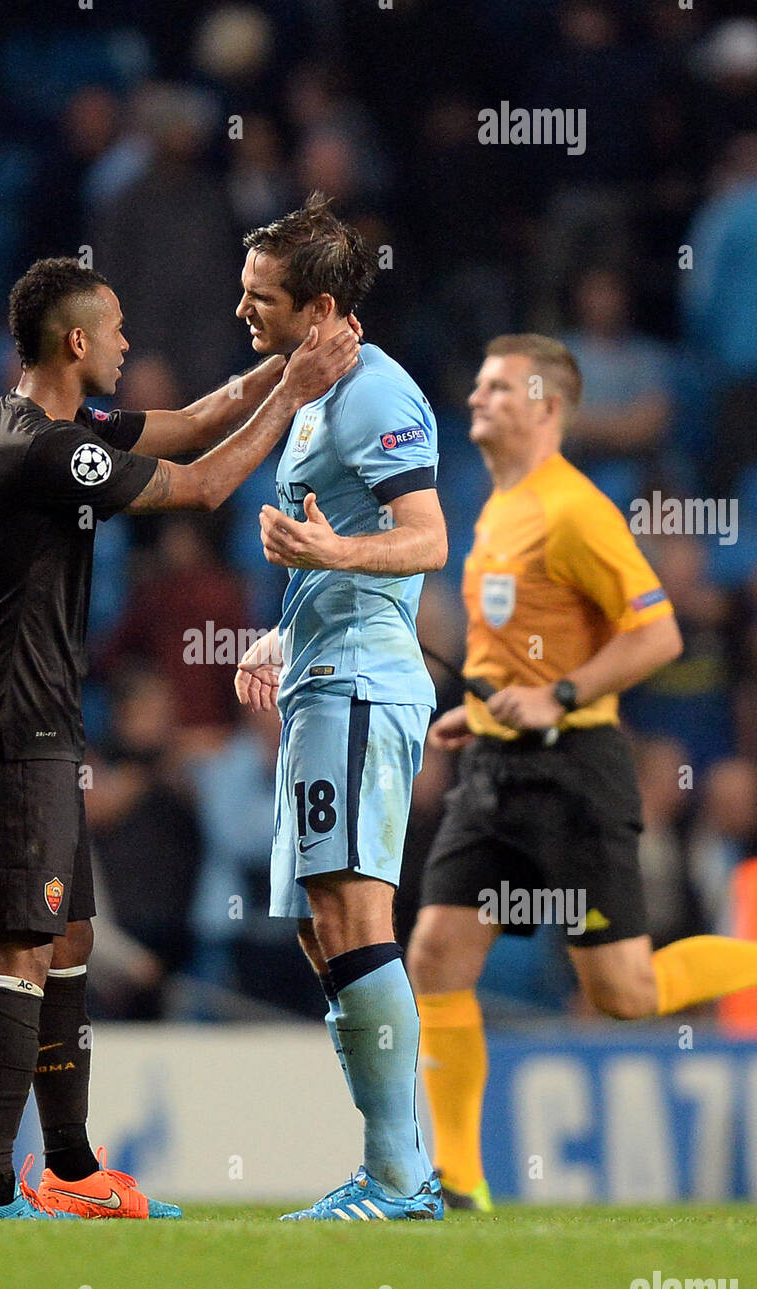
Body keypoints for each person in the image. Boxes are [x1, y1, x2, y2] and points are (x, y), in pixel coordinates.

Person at [0, 254, 359, 1220]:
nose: (130, 344)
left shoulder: (59, 425)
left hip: (37, 714)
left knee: (71, 933)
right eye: (116, 328)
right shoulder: (40, 449)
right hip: (6, 719)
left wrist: (281, 362)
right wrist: (294, 393)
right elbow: (204, 485)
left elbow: (195, 423)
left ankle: (74, 1170)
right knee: (22, 949)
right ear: (76, 342)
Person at [406, 333, 757, 1212]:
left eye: (497, 387)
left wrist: (558, 696)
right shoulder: (497, 506)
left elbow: (658, 634)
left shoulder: (576, 510)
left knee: (625, 992)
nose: (478, 398)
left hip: (573, 774)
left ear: (547, 406)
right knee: (438, 955)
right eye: (477, 384)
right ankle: (457, 1180)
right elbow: (513, 652)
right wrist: (484, 710)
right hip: (494, 766)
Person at [234, 195, 448, 1220]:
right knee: (325, 929)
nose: (243, 309)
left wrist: (328, 556)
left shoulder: (375, 392)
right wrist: (288, 626)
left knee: (356, 916)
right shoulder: (312, 391)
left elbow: (423, 538)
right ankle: (397, 1161)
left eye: (260, 296)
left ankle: (400, 1175)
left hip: (363, 684)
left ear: (318, 306)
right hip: (324, 675)